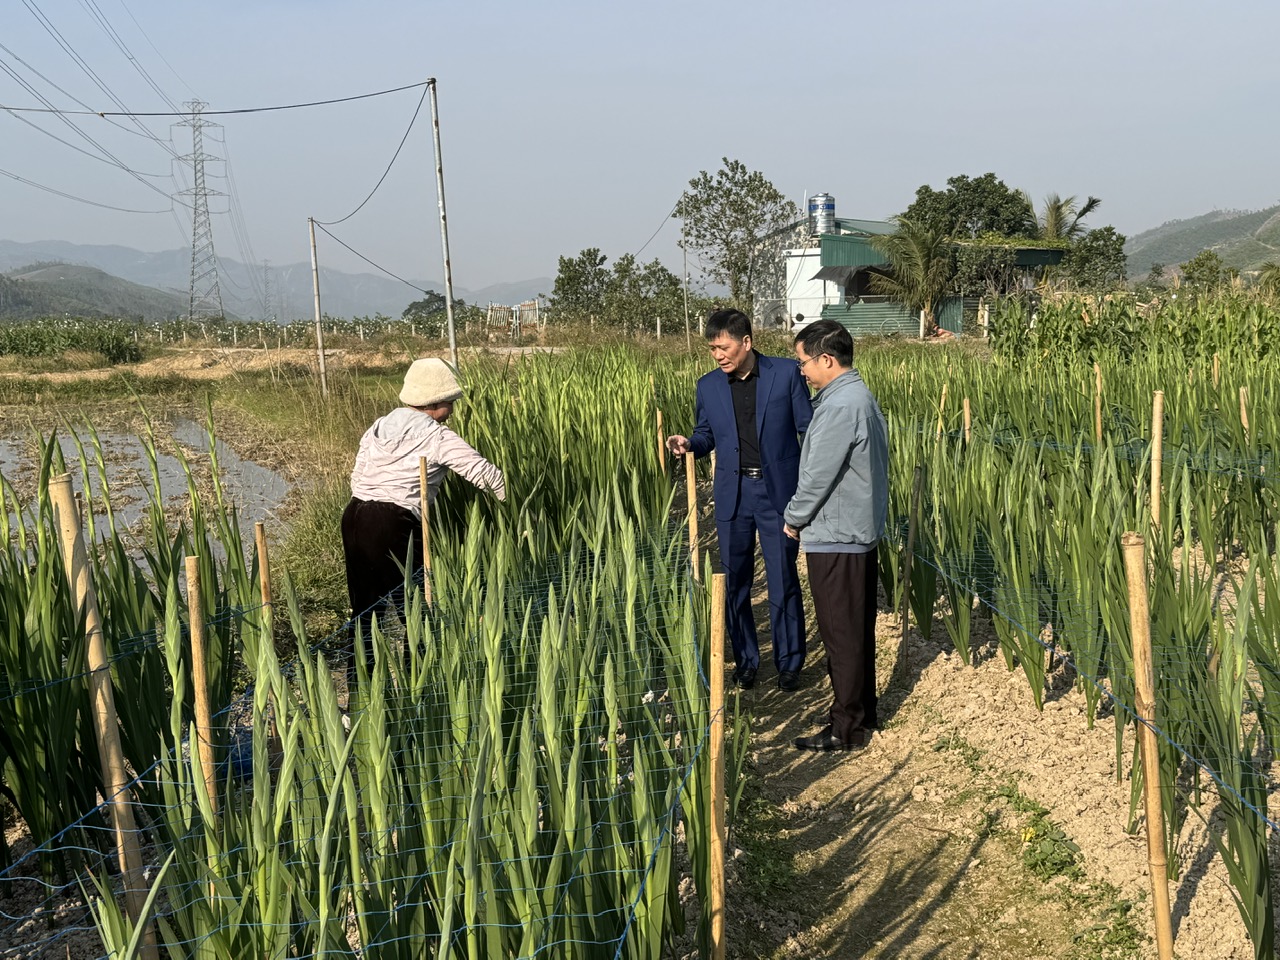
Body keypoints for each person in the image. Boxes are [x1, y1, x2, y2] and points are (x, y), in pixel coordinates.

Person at [667, 309, 813, 690]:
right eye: (712, 348)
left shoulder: (786, 375)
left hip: (778, 493)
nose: (718, 355)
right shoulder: (708, 386)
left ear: (746, 342)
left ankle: (789, 662)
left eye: (723, 346)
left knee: (783, 579)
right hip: (733, 495)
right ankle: (747, 660)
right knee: (735, 582)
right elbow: (705, 435)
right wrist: (688, 444)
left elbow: (808, 430)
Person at [341, 357, 506, 649]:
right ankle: (418, 678)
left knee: (365, 609)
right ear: (436, 402)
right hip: (393, 521)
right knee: (416, 608)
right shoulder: (436, 436)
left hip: (355, 514)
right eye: (451, 402)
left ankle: (361, 684)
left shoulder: (379, 426)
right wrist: (517, 507)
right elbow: (484, 474)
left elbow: (358, 474)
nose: (452, 411)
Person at [783, 319, 888, 751]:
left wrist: (794, 518)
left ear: (827, 359)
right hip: (856, 532)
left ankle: (845, 728)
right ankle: (862, 714)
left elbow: (816, 475)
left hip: (837, 534)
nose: (802, 372)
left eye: (804, 362)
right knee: (855, 628)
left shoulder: (841, 406)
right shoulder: (857, 398)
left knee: (840, 634)